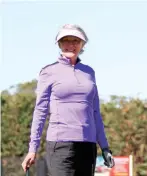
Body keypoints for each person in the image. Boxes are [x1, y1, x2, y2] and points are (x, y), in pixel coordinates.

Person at [21, 24, 115, 176]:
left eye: (75, 41)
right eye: (66, 40)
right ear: (59, 44)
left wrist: (104, 147)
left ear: (82, 45)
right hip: (60, 146)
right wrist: (33, 149)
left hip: (87, 146)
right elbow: (40, 111)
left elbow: (96, 112)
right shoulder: (48, 72)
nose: (70, 45)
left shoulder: (89, 72)